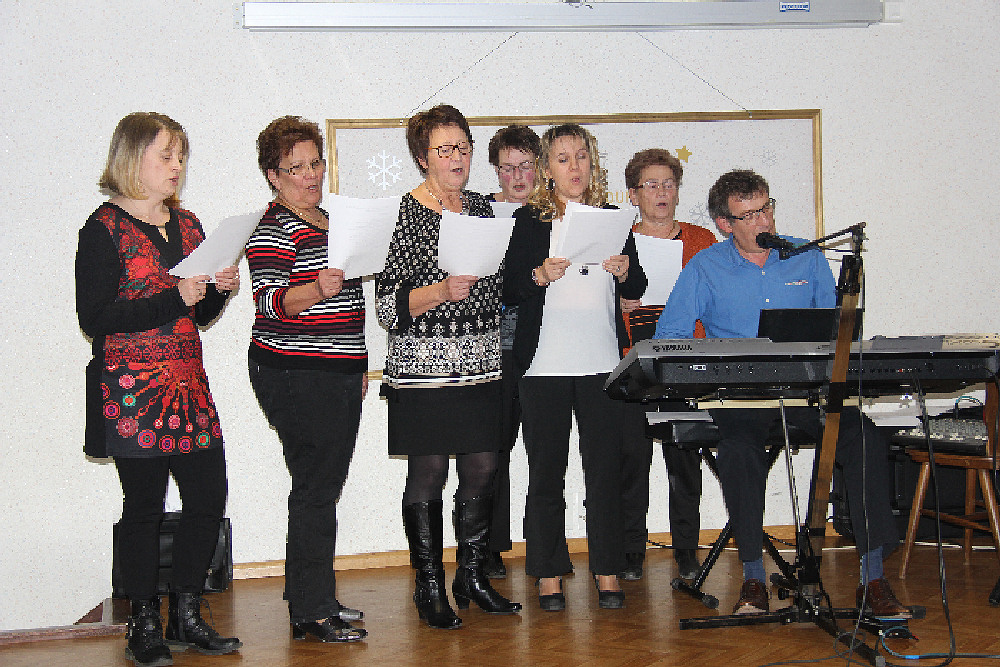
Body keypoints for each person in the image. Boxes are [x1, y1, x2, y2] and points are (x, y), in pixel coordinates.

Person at [654, 169, 910, 618]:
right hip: (740, 401)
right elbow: (670, 338)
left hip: (807, 398)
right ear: (724, 223)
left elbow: (834, 333)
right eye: (748, 214)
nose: (762, 221)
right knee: (737, 450)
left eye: (766, 207)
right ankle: (753, 578)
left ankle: (873, 579)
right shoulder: (704, 267)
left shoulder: (808, 259)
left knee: (864, 437)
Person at [76, 112, 242, 667]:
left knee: (207, 497)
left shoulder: (189, 226)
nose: (176, 167)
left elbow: (200, 312)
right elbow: (96, 316)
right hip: (133, 391)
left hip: (188, 386)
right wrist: (178, 296)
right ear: (132, 159)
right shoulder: (102, 229)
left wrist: (218, 289)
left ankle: (187, 612)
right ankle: (143, 621)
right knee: (144, 507)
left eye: (181, 157)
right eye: (166, 156)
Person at [377, 104, 521, 630]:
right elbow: (387, 307)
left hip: (482, 363)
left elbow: (502, 283)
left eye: (463, 147)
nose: (457, 158)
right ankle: (429, 585)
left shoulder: (486, 208)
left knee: (484, 467)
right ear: (422, 157)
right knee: (430, 473)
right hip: (424, 368)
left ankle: (473, 576)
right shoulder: (404, 213)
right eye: (445, 149)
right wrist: (440, 291)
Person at [503, 123, 646, 611]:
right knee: (547, 473)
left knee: (603, 470)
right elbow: (508, 288)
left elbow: (636, 285)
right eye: (563, 159)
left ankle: (607, 568)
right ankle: (548, 573)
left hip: (600, 362)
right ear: (547, 169)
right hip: (542, 366)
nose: (575, 167)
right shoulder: (529, 221)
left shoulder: (612, 218)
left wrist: (626, 269)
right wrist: (538, 274)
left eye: (582, 156)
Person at [246, 116, 368, 643]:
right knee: (315, 486)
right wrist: (316, 287)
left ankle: (316, 595)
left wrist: (357, 364)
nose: (311, 175)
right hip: (294, 372)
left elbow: (355, 303)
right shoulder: (273, 227)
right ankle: (310, 610)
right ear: (273, 175)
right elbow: (269, 302)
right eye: (296, 168)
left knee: (324, 486)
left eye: (316, 163)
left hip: (337, 370)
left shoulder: (332, 218)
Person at [618, 149, 717, 582]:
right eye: (651, 185)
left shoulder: (702, 241)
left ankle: (687, 553)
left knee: (684, 465)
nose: (661, 193)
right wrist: (619, 298)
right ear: (634, 194)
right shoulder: (618, 239)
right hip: (633, 363)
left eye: (668, 184)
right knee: (632, 465)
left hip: (686, 365)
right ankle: (631, 552)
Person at [484, 124, 542, 579]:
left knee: (545, 452)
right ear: (496, 172)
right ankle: (489, 545)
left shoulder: (554, 215)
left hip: (545, 348)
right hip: (494, 350)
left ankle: (543, 544)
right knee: (494, 448)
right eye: (508, 168)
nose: (518, 176)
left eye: (526, 165)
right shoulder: (481, 215)